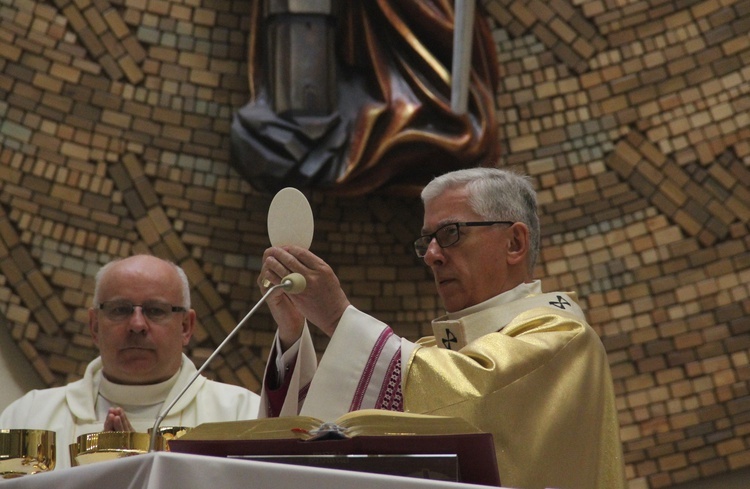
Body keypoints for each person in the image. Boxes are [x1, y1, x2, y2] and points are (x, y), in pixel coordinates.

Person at [256, 167, 627, 489]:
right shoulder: (435, 351)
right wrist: (292, 334)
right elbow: (325, 435)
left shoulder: (562, 338)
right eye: (426, 241)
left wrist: (338, 318)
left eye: (451, 233)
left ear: (514, 242)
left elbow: (476, 395)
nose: (432, 255)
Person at [0, 255, 260, 469]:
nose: (137, 325)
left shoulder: (241, 416)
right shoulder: (28, 415)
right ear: (94, 326)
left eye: (155, 310)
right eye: (120, 309)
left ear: (185, 327)